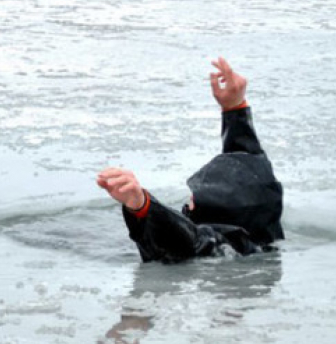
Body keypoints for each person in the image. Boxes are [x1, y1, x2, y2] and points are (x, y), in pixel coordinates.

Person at [97, 57, 283, 263]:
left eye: (194, 198)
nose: (189, 201)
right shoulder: (264, 225)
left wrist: (142, 205)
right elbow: (249, 166)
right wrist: (235, 109)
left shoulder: (218, 245)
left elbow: (188, 239)